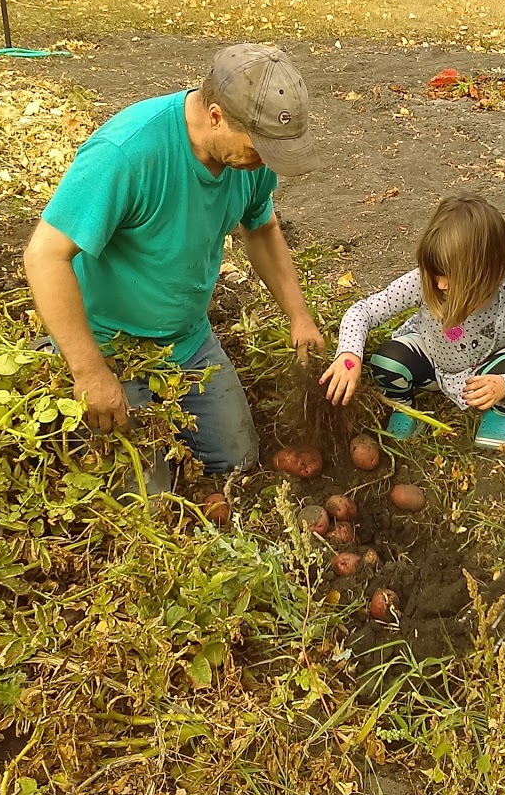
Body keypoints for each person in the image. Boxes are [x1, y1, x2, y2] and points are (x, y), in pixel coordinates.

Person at [24, 44, 325, 488]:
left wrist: (299, 316)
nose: (265, 161)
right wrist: (89, 373)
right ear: (217, 116)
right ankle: (56, 361)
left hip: (186, 340)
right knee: (147, 504)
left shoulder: (254, 157)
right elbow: (44, 255)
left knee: (239, 465)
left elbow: (261, 228)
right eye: (259, 148)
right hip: (111, 345)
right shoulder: (128, 153)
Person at [320, 195, 505, 450]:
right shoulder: (423, 282)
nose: (440, 285)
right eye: (435, 275)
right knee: (386, 361)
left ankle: (499, 413)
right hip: (432, 359)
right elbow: (363, 311)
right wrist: (349, 355)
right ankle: (404, 408)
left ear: (486, 274)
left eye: (450, 277)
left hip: (482, 370)